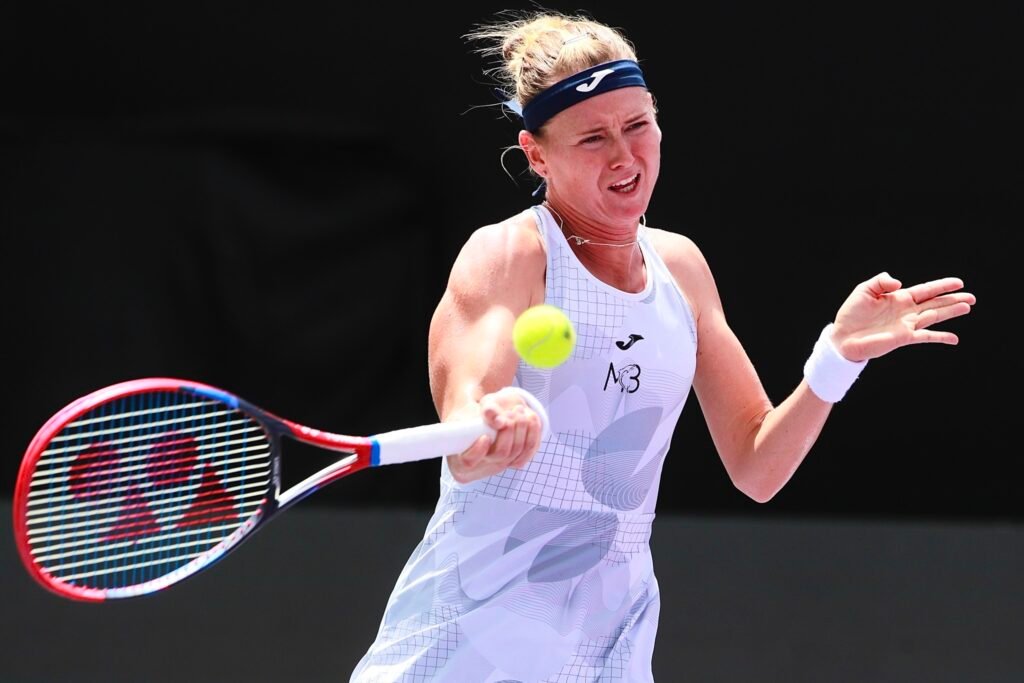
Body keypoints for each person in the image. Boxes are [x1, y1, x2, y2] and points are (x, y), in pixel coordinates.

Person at [350, 10, 975, 682]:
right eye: (592, 138)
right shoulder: (510, 254)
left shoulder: (681, 268)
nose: (624, 157)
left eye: (637, 125)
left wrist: (838, 358)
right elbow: (467, 425)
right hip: (469, 650)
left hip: (608, 651)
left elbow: (758, 466)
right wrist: (493, 422)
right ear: (537, 155)